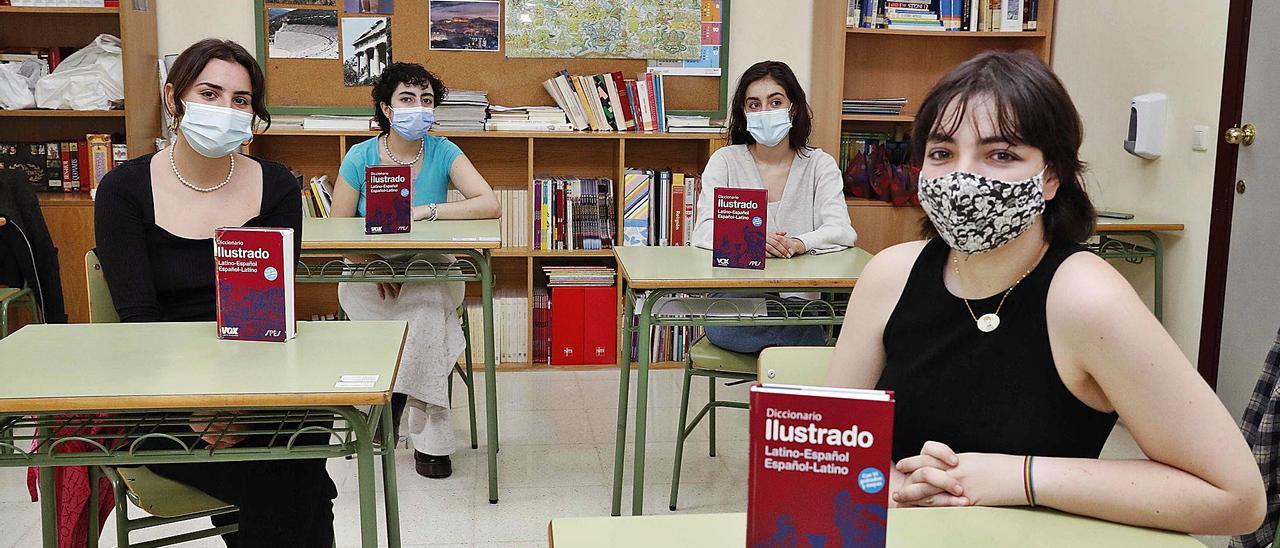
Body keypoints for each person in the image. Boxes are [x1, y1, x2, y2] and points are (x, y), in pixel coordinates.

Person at [824, 50, 1264, 535]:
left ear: (1050, 177)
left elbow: (1236, 498)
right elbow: (826, 445)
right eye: (942, 153)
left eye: (1001, 155)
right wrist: (882, 482)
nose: (963, 178)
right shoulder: (890, 275)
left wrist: (1018, 477)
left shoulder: (1087, 298)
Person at [93, 39, 335, 547]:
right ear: (172, 97)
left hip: (262, 384)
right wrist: (204, 404)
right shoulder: (123, 190)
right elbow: (139, 323)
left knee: (301, 439)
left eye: (241, 100)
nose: (225, 110)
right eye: (209, 93)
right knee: (294, 478)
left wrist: (240, 402)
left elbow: (272, 314)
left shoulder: (278, 187)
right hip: (161, 395)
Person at [330, 62, 500, 479]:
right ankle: (431, 438)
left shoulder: (444, 150)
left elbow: (489, 203)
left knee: (425, 307)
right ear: (386, 108)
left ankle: (396, 408)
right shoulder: (360, 156)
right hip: (370, 271)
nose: (418, 108)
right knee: (426, 326)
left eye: (426, 100)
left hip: (431, 267)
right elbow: (337, 226)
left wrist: (429, 211)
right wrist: (370, 265)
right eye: (407, 99)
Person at [690, 60, 857, 354]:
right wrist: (752, 240)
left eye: (775, 102)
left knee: (801, 323)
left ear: (792, 108)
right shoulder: (725, 161)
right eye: (754, 104)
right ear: (744, 113)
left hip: (799, 303)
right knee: (800, 338)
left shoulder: (819, 165)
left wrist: (799, 243)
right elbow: (703, 231)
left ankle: (784, 369)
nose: (764, 112)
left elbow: (841, 230)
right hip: (737, 300)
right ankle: (801, 360)